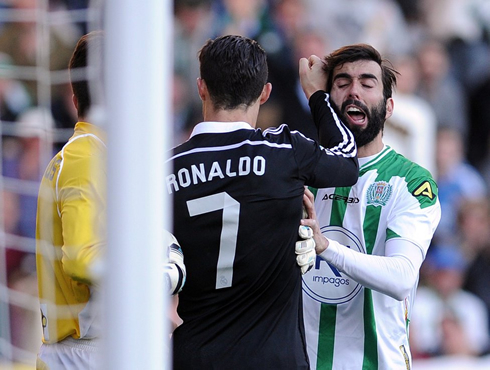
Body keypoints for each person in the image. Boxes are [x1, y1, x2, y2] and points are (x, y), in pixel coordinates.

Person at [167, 34, 358, 369]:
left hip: (194, 356)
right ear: (265, 93)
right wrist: (318, 97)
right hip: (274, 359)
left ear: (201, 88)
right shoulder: (284, 152)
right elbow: (346, 160)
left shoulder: (164, 171)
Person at [35, 31, 186, 370]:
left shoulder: (102, 154)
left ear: (75, 98)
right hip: (87, 354)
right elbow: (81, 259)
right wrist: (155, 276)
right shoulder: (84, 156)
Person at [300, 44, 441, 370]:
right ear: (326, 99)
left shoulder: (410, 181)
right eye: (342, 83)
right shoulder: (300, 170)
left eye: (367, 83)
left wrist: (325, 248)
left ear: (389, 106)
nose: (354, 92)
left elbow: (402, 277)